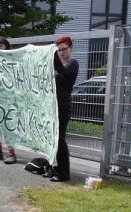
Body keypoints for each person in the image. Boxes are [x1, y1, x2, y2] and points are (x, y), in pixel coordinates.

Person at [50, 36, 79, 182]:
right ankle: (57, 168)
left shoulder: (73, 63)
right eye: (58, 50)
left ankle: (64, 173)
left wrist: (53, 54)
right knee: (54, 140)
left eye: (63, 49)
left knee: (60, 140)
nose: (61, 53)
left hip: (63, 107)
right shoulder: (60, 64)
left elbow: (62, 70)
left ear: (70, 48)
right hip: (54, 106)